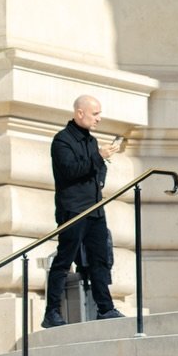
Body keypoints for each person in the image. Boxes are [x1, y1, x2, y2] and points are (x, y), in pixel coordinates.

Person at [44, 94, 123, 326]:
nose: (99, 118)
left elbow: (95, 173)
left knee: (99, 260)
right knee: (64, 259)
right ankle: (51, 312)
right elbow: (70, 171)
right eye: (95, 113)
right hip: (73, 211)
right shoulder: (62, 141)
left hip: (95, 210)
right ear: (80, 113)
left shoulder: (91, 141)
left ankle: (105, 308)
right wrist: (98, 157)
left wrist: (100, 165)